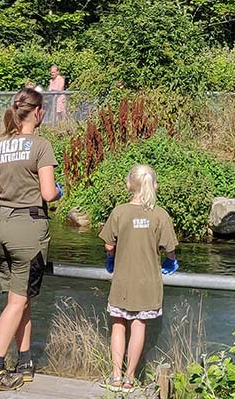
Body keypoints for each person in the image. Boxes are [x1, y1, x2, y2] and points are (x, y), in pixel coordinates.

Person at [0, 88, 60, 391]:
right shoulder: (41, 145)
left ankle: (24, 363)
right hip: (27, 229)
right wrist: (57, 191)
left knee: (20, 298)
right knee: (16, 303)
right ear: (37, 112)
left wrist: (14, 191)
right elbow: (49, 193)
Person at [99, 164, 179, 392]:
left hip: (122, 281)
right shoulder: (160, 214)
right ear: (155, 186)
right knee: (138, 326)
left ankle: (115, 376)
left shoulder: (119, 212)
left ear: (128, 185)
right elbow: (169, 248)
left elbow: (108, 244)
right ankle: (129, 378)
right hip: (147, 283)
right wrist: (171, 262)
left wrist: (111, 258)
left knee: (118, 325)